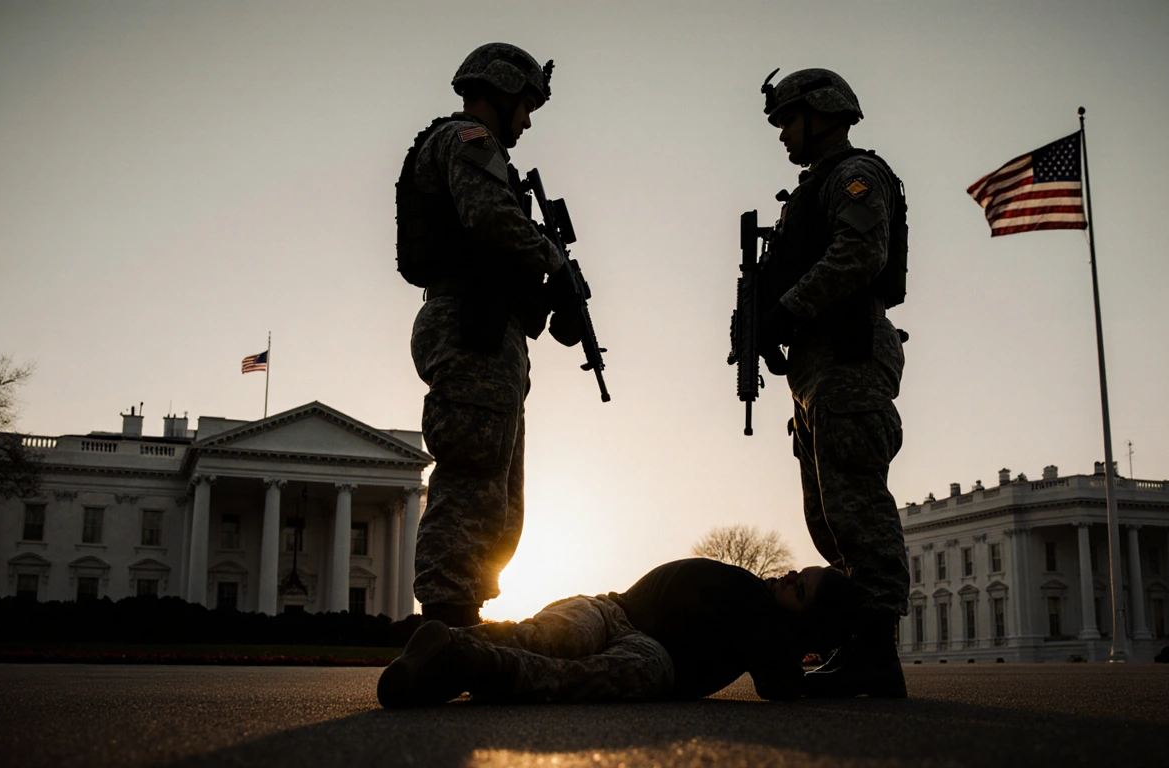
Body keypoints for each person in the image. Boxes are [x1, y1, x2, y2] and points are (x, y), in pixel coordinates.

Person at [396, 43, 583, 629]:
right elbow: (489, 217)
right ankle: (448, 619)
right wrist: (555, 260)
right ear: (500, 90)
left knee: (498, 485)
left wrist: (552, 295)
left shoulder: (482, 150)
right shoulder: (468, 141)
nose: (526, 121)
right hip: (467, 323)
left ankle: (465, 610)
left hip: (488, 326)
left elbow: (500, 242)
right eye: (525, 105)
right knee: (474, 472)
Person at [754, 68, 911, 698]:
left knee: (856, 505)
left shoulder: (857, 175)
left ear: (821, 114)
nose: (784, 135)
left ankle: (876, 651)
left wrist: (790, 307)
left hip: (848, 355)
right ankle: (856, 643)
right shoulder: (808, 192)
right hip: (817, 365)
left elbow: (859, 253)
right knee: (827, 511)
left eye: (789, 120)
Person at [376, 558, 866, 707]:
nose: (788, 578)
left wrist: (819, 668)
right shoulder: (754, 593)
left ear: (806, 626)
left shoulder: (772, 638)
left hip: (653, 653)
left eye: (799, 590)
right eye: (799, 572)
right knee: (552, 638)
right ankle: (454, 644)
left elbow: (780, 687)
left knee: (584, 678)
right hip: (609, 609)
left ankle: (460, 660)